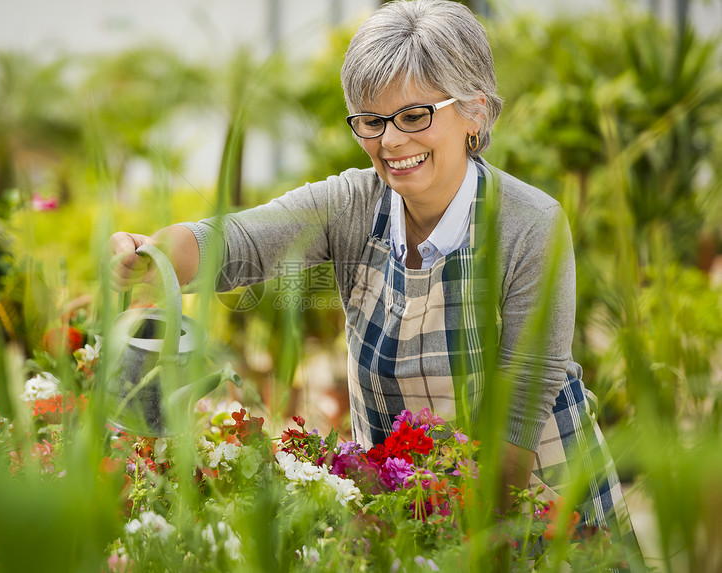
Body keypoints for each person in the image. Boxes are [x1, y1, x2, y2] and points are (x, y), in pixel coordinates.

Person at [110, 0, 638, 561]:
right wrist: (154, 254)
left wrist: (461, 538)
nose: (390, 142)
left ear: (475, 112)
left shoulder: (530, 224)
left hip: (539, 495)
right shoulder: (351, 206)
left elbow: (521, 407)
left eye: (414, 116)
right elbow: (238, 242)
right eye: (372, 121)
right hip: (411, 510)